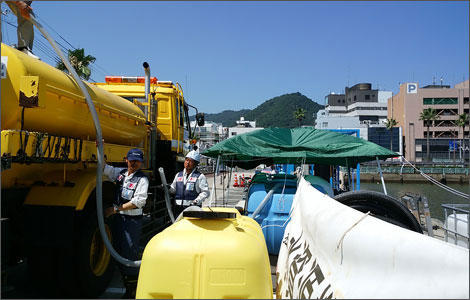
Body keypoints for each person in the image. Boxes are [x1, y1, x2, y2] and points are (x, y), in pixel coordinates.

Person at [103, 148, 149, 299]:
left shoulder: (142, 179)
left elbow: (138, 202)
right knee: (117, 251)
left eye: (137, 161)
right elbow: (104, 168)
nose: (134, 163)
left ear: (141, 163)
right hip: (118, 220)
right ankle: (126, 284)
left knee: (129, 255)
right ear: (126, 160)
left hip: (131, 222)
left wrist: (115, 209)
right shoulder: (121, 173)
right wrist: (100, 148)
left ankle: (133, 291)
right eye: (131, 160)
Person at [169, 150, 210, 217]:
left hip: (193, 209)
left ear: (195, 164)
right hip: (178, 209)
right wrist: (168, 188)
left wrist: (196, 201)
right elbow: (173, 190)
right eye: (187, 160)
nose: (188, 163)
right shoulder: (178, 175)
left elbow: (205, 192)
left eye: (191, 161)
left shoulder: (200, 177)